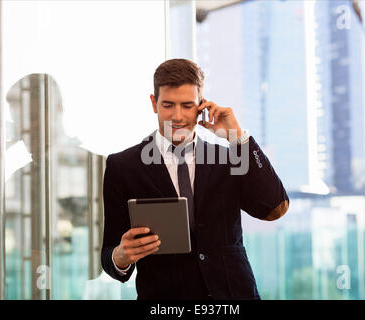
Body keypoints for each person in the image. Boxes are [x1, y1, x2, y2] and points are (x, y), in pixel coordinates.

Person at [101, 59, 289, 300]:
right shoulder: (123, 167)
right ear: (153, 103)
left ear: (201, 106)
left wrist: (237, 137)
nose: (177, 116)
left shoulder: (227, 158)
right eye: (168, 105)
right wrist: (121, 256)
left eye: (187, 106)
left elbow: (274, 206)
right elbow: (110, 256)